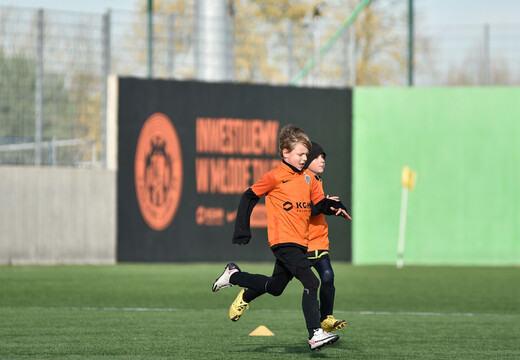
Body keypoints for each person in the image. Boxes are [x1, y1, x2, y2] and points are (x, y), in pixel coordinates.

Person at [212, 125, 351, 351]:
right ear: (285, 152)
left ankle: (234, 276)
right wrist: (242, 230)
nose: (304, 158)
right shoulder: (275, 177)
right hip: (283, 242)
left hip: (300, 242)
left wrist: (335, 206)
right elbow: (249, 196)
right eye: (300, 154)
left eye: (307, 155)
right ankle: (315, 333)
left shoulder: (308, 179)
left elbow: (320, 204)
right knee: (312, 281)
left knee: (275, 287)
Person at [304, 141, 348, 333]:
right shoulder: (303, 179)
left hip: (319, 241)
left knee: (328, 276)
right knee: (275, 285)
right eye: (317, 157)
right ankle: (247, 292)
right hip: (301, 244)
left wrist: (340, 208)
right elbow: (308, 209)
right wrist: (326, 205)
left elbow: (323, 205)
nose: (322, 160)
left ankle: (326, 319)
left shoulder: (317, 180)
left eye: (323, 157)